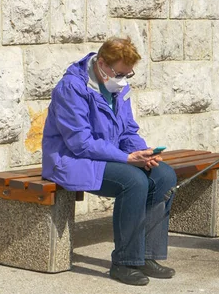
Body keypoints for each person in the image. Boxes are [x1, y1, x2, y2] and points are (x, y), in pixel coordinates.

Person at [42, 37, 178, 286]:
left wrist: (143, 153)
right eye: (119, 73)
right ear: (102, 64)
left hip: (106, 157)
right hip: (69, 160)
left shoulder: (119, 87)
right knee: (134, 181)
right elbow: (80, 143)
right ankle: (124, 262)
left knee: (164, 176)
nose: (123, 79)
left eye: (128, 74)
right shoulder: (71, 87)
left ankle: (145, 255)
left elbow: (128, 131)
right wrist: (126, 158)